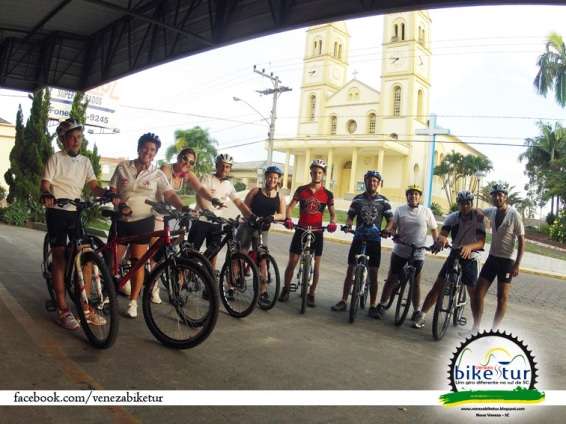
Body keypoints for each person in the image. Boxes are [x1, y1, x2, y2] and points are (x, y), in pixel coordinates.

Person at [40, 118, 112, 330]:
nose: (76, 141)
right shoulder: (55, 159)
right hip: (57, 211)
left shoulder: (85, 162)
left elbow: (93, 185)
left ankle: (86, 307)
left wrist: (105, 192)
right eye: (71, 137)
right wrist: (46, 193)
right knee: (61, 258)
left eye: (79, 137)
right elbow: (46, 182)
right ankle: (63, 310)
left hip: (75, 212)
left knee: (86, 257)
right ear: (63, 139)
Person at [110, 132, 188, 318]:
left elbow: (169, 194)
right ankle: (107, 292)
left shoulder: (157, 174)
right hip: (121, 220)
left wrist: (182, 206)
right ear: (139, 148)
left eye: (152, 150)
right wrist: (119, 203)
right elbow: (113, 190)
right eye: (145, 148)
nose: (148, 152)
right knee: (111, 262)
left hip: (144, 221)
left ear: (155, 153)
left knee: (138, 262)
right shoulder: (123, 167)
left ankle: (133, 302)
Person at [148, 147, 223, 304]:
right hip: (154, 211)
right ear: (178, 157)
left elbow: (200, 189)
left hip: (169, 212)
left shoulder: (186, 174)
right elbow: (168, 194)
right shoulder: (166, 170)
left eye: (191, 162)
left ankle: (160, 267)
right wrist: (182, 207)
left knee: (178, 238)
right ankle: (152, 285)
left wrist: (213, 199)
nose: (187, 163)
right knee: (156, 250)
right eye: (184, 159)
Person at [414, 191, 486, 329]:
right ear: (458, 204)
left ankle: (476, 326)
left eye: (468, 203)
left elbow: (481, 242)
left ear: (471, 204)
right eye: (462, 203)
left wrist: (470, 247)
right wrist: (442, 240)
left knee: (474, 293)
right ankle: (422, 314)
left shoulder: (478, 218)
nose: (465, 206)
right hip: (455, 252)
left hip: (472, 256)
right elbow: (443, 233)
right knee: (438, 285)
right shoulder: (453, 217)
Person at [331, 170, 392, 318]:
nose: (373, 183)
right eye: (370, 180)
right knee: (350, 270)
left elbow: (391, 220)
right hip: (358, 238)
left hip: (375, 240)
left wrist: (387, 230)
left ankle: (372, 306)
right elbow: (350, 216)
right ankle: (344, 300)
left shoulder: (384, 201)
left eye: (375, 181)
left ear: (379, 184)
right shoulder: (357, 199)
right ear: (365, 181)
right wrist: (348, 225)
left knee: (373, 273)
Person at [278, 159, 337, 307]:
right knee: (292, 262)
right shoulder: (301, 190)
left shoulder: (328, 194)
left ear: (323, 175)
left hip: (317, 232)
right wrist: (289, 218)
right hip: (301, 229)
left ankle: (311, 293)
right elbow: (291, 207)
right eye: (314, 172)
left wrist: (332, 222)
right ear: (310, 172)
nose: (317, 174)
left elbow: (333, 213)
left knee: (316, 266)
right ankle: (286, 288)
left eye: (320, 172)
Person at [376, 184, 438, 320]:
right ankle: (382, 304)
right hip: (401, 250)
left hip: (418, 252)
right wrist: (392, 233)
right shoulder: (400, 210)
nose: (413, 196)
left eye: (416, 194)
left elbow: (433, 229)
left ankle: (416, 310)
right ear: (407, 196)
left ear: (420, 197)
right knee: (392, 278)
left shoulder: (426, 211)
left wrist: (436, 242)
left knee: (415, 282)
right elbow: (393, 226)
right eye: (410, 194)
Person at [472, 184, 525, 331]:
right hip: (492, 258)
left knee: (502, 298)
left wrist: (517, 265)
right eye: (495, 195)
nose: (497, 197)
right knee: (478, 293)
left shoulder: (514, 214)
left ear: (505, 197)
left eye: (500, 195)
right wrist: (479, 213)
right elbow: (479, 210)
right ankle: (475, 328)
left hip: (507, 262)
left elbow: (521, 241)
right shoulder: (493, 211)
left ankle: (493, 331)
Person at [188, 153, 251, 270]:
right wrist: (207, 211)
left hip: (216, 223)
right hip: (201, 220)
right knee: (192, 252)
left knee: (214, 252)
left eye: (227, 167)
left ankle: (210, 279)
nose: (224, 169)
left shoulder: (229, 185)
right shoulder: (207, 178)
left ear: (230, 169)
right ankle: (181, 280)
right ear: (216, 165)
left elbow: (239, 203)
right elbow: (200, 196)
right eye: (222, 165)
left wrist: (251, 216)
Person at [237, 165, 286, 307]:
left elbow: (283, 214)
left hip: (263, 230)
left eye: (275, 178)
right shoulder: (255, 191)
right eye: (270, 177)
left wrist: (273, 216)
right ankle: (232, 285)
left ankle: (263, 292)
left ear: (278, 180)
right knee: (242, 254)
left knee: (263, 259)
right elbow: (244, 207)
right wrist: (251, 217)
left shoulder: (279, 197)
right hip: (248, 227)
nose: (272, 180)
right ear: (266, 177)